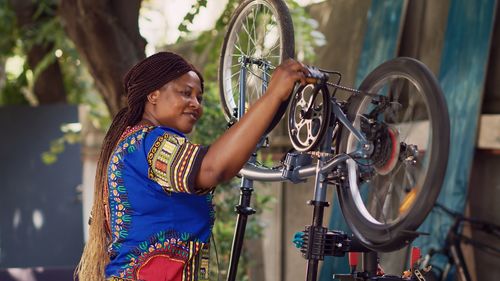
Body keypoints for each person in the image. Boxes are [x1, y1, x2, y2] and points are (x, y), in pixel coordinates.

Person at [75, 51, 307, 281]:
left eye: (199, 97)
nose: (195, 104)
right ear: (153, 95)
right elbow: (212, 169)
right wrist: (273, 93)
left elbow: (220, 161)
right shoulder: (151, 142)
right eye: (186, 93)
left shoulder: (134, 143)